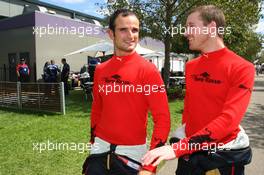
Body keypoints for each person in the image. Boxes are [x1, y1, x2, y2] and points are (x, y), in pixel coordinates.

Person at [142, 5, 254, 175]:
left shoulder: (242, 68)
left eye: (191, 26)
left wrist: (179, 147)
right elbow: (190, 108)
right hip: (189, 155)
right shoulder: (191, 66)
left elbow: (229, 119)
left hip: (222, 157)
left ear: (211, 28)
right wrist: (184, 145)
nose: (186, 33)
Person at [82, 9, 170, 175]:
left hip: (132, 153)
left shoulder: (149, 71)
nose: (130, 35)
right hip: (100, 149)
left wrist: (150, 166)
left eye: (135, 30)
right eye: (123, 29)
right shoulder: (101, 70)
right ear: (111, 33)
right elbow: (97, 109)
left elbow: (163, 119)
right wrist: (93, 140)